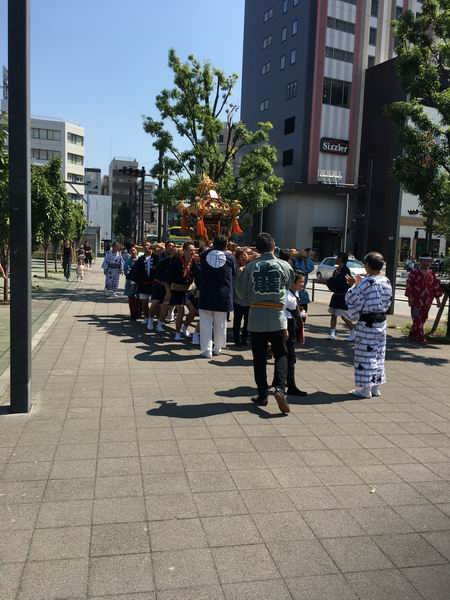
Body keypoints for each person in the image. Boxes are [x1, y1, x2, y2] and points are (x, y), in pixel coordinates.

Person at [235, 232, 294, 414]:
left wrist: (240, 275)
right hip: (277, 316)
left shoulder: (250, 267)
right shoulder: (284, 265)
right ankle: (279, 387)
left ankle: (262, 394)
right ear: (274, 246)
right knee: (281, 354)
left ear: (257, 249)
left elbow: (241, 293)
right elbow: (289, 284)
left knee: (259, 357)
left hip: (256, 316)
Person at [345, 252, 393, 399]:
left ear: (367, 265)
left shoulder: (366, 282)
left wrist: (354, 285)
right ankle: (375, 388)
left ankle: (365, 390)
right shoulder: (385, 280)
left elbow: (351, 298)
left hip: (367, 324)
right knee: (379, 354)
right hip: (381, 322)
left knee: (365, 356)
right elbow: (388, 300)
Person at [198, 235, 236, 359]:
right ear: (226, 245)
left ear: (213, 244)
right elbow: (234, 273)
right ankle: (218, 348)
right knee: (221, 323)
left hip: (206, 293)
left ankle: (207, 349)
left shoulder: (204, 255)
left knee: (205, 323)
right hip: (223, 294)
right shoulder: (230, 257)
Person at [405, 254, 442, 344]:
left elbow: (435, 286)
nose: (425, 263)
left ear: (430, 262)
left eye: (427, 261)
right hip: (416, 300)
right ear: (420, 261)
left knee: (423, 319)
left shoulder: (431, 273)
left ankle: (412, 334)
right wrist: (410, 298)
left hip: (427, 301)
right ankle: (421, 337)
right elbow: (409, 285)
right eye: (424, 261)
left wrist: (438, 300)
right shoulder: (414, 272)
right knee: (417, 318)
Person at [284, 270, 308, 397]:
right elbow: (282, 312)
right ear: (292, 283)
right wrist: (285, 329)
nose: (303, 284)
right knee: (290, 357)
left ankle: (280, 381)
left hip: (292, 325)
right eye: (300, 282)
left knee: (285, 356)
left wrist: (301, 313)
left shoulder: (295, 292)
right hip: (288, 327)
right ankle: (291, 386)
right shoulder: (287, 295)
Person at [167, 242, 196, 341]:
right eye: (190, 250)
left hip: (187, 291)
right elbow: (168, 278)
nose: (193, 252)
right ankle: (177, 332)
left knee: (193, 311)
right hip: (176, 290)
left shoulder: (194, 262)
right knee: (181, 311)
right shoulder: (176, 262)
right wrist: (168, 292)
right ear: (184, 251)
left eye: (194, 250)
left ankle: (185, 327)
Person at [128, 241, 159, 328]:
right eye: (145, 246)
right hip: (144, 284)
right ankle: (146, 317)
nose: (146, 247)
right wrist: (133, 281)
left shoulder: (157, 257)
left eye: (148, 245)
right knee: (144, 303)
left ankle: (154, 318)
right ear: (143, 248)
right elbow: (135, 270)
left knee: (155, 303)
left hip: (155, 284)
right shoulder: (141, 259)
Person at [326, 252, 354, 341]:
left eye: (337, 257)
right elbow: (333, 281)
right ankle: (332, 334)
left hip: (343, 296)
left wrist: (331, 281)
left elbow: (342, 282)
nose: (336, 258)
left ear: (341, 258)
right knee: (333, 314)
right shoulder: (337, 269)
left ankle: (353, 333)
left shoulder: (345, 270)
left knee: (344, 315)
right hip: (336, 295)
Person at [152, 242, 178, 333]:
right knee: (156, 303)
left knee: (165, 305)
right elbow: (160, 264)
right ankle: (150, 319)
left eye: (173, 246)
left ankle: (161, 321)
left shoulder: (176, 257)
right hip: (159, 283)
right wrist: (170, 257)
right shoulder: (161, 255)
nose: (171, 247)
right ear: (166, 247)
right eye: (169, 246)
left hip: (170, 284)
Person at [233, 248, 251, 346]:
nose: (244, 257)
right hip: (238, 300)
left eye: (245, 254)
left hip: (249, 300)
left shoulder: (251, 266)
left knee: (247, 322)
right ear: (238, 258)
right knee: (237, 321)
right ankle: (236, 340)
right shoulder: (236, 267)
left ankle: (244, 339)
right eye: (241, 255)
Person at [124, 245, 140, 320]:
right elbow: (126, 270)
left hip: (139, 281)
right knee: (131, 297)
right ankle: (133, 313)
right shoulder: (128, 260)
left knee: (139, 297)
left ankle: (138, 311)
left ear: (137, 251)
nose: (133, 252)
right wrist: (131, 276)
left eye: (134, 250)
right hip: (130, 281)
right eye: (131, 251)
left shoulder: (140, 259)